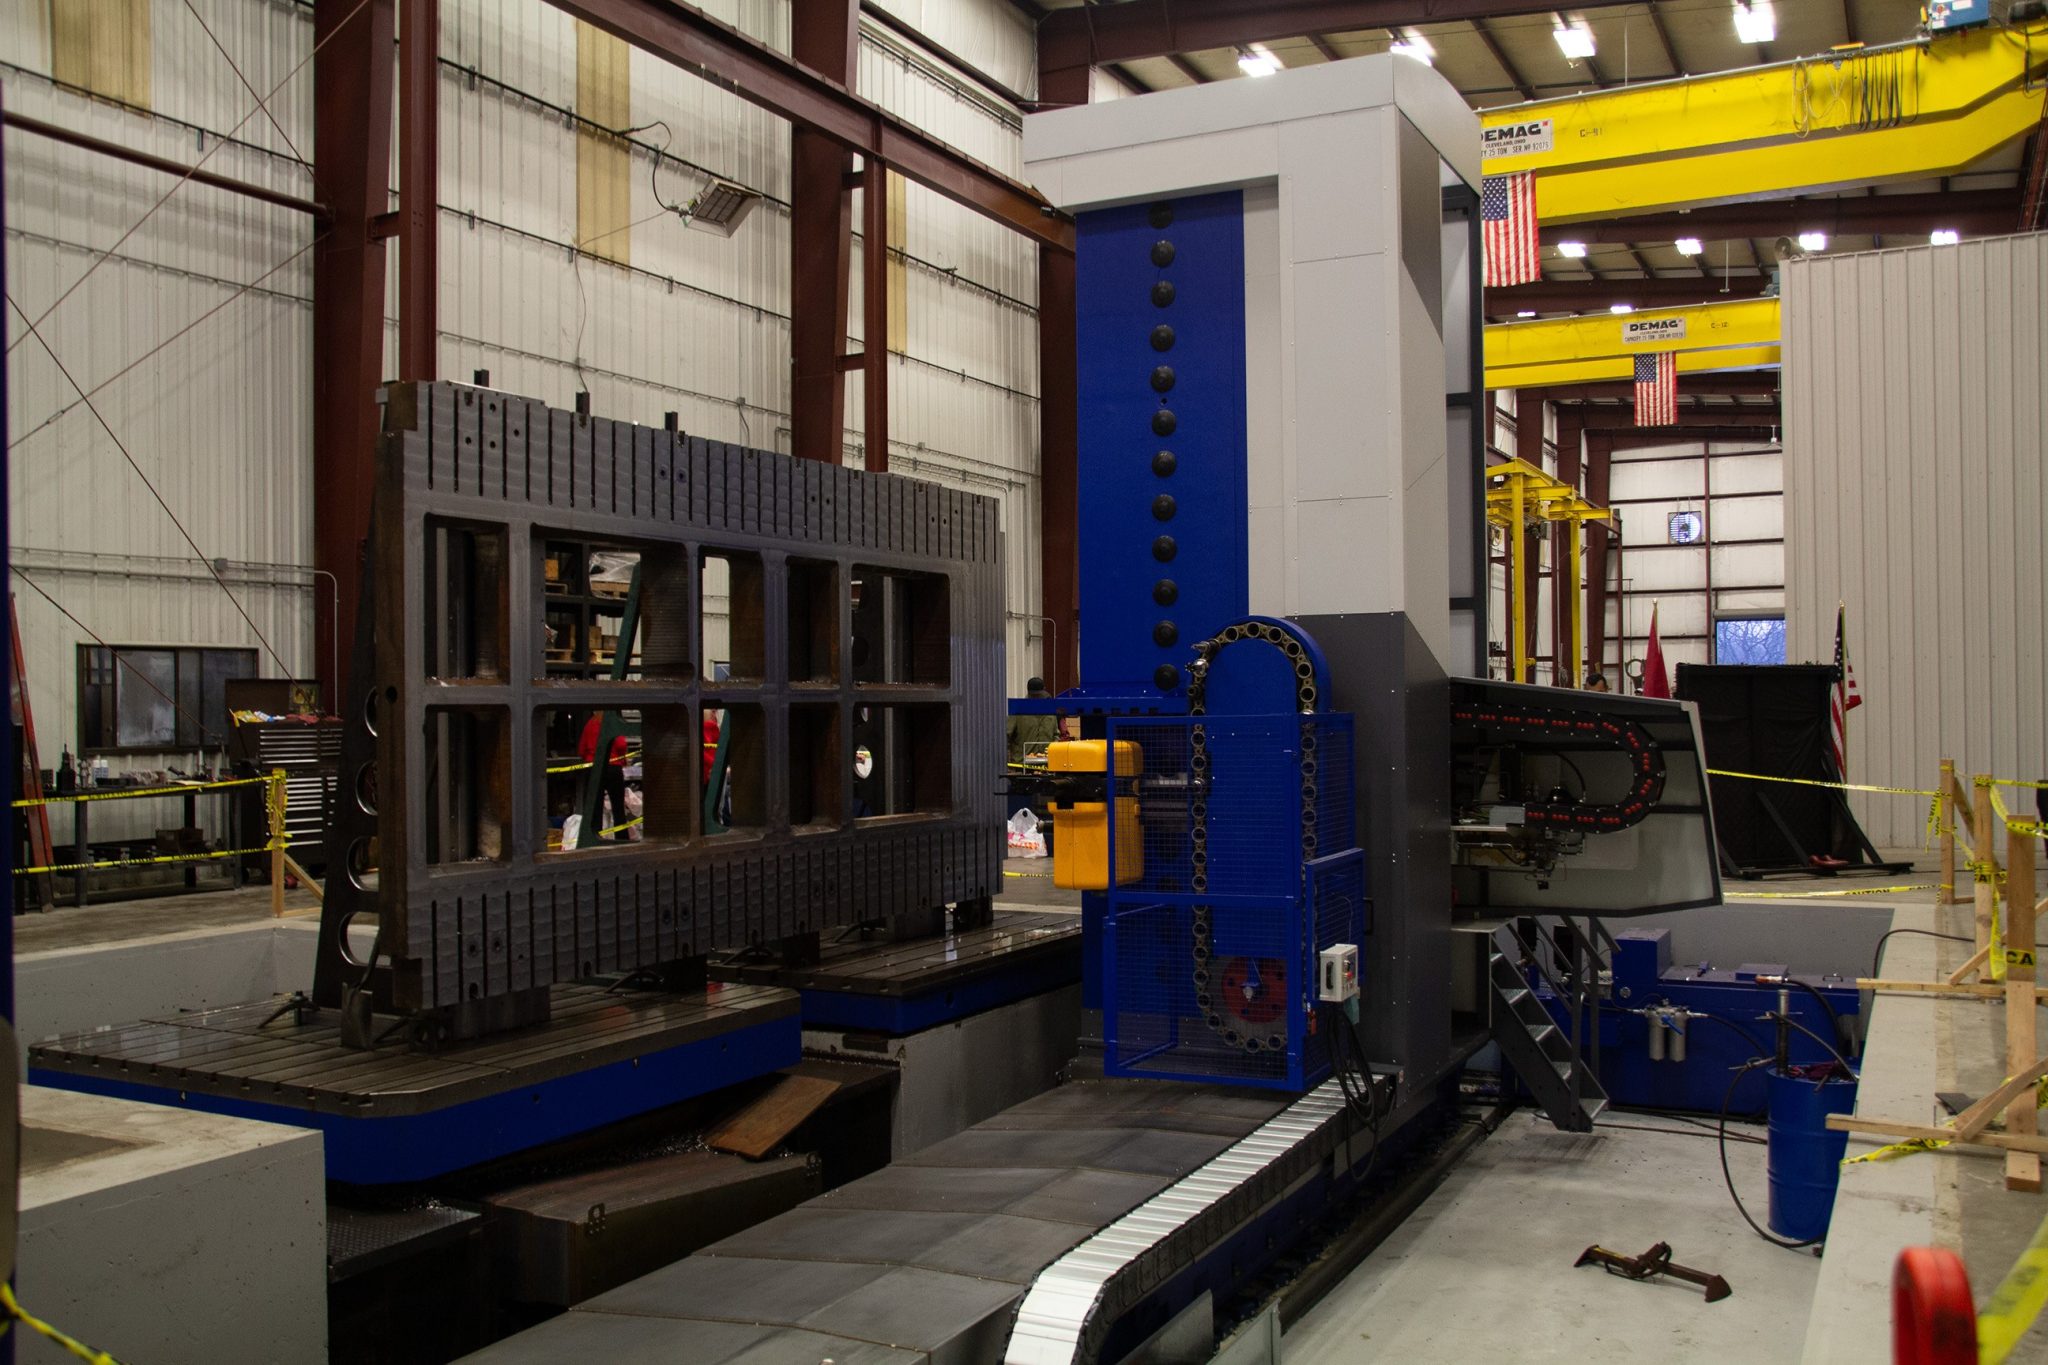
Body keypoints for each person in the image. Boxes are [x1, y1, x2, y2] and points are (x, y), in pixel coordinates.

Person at [578, 712, 630, 839]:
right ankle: (622, 838)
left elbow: (581, 749)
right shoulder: (611, 723)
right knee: (618, 807)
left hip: (593, 767)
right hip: (612, 768)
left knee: (595, 808)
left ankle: (594, 838)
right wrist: (622, 759)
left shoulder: (590, 724)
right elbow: (621, 744)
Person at [1007, 677, 1059, 767]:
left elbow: (1056, 735)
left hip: (1047, 764)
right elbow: (1007, 736)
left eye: (1038, 695)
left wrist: (1053, 751)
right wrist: (1008, 762)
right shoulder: (1018, 711)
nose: (1036, 698)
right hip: (1022, 764)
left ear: (1044, 691)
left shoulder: (1050, 712)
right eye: (1033, 696)